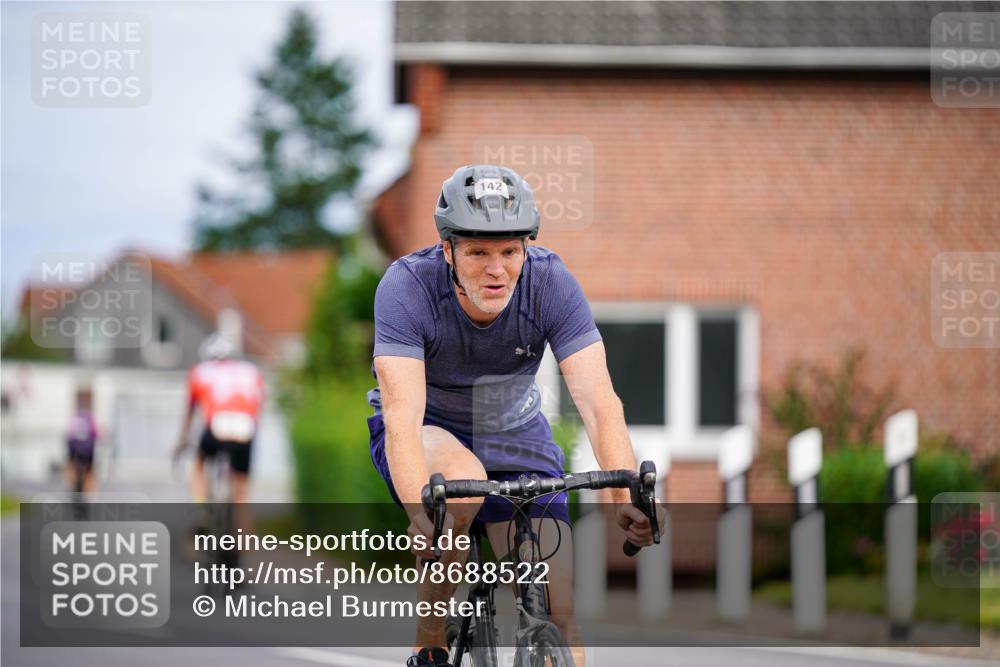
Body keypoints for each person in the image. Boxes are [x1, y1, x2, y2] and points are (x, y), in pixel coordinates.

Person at [367, 164, 662, 667]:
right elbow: (402, 416)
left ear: (527, 248)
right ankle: (431, 635)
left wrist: (623, 497)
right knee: (459, 482)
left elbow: (598, 401)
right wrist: (422, 517)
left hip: (512, 428)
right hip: (429, 426)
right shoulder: (407, 287)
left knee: (558, 606)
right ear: (448, 251)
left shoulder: (549, 282)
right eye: (478, 252)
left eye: (509, 251)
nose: (496, 269)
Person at [174, 333, 264, 504]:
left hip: (217, 424)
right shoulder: (251, 371)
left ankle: (200, 506)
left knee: (199, 466)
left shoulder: (201, 371)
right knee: (241, 488)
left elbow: (190, 410)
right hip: (245, 426)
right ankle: (242, 527)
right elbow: (259, 405)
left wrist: (182, 439)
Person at [65, 389, 98, 494]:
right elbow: (96, 433)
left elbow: (69, 434)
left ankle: (71, 481)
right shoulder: (90, 417)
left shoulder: (75, 416)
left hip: (75, 447)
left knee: (70, 464)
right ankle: (88, 488)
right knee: (90, 468)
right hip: (87, 449)